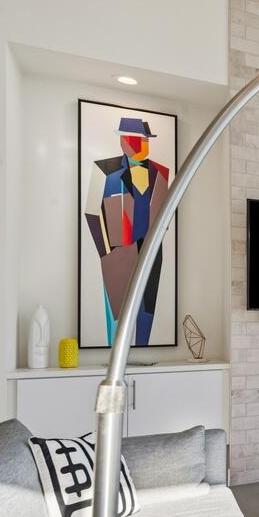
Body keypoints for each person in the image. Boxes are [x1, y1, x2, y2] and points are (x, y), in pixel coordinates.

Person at [83, 118, 171, 346]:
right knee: (117, 313)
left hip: (152, 251)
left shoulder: (161, 172)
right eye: (136, 140)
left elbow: (165, 214)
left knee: (146, 310)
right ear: (123, 141)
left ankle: (144, 350)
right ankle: (114, 356)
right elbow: (92, 213)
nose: (142, 145)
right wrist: (106, 252)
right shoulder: (104, 170)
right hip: (118, 252)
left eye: (145, 140)